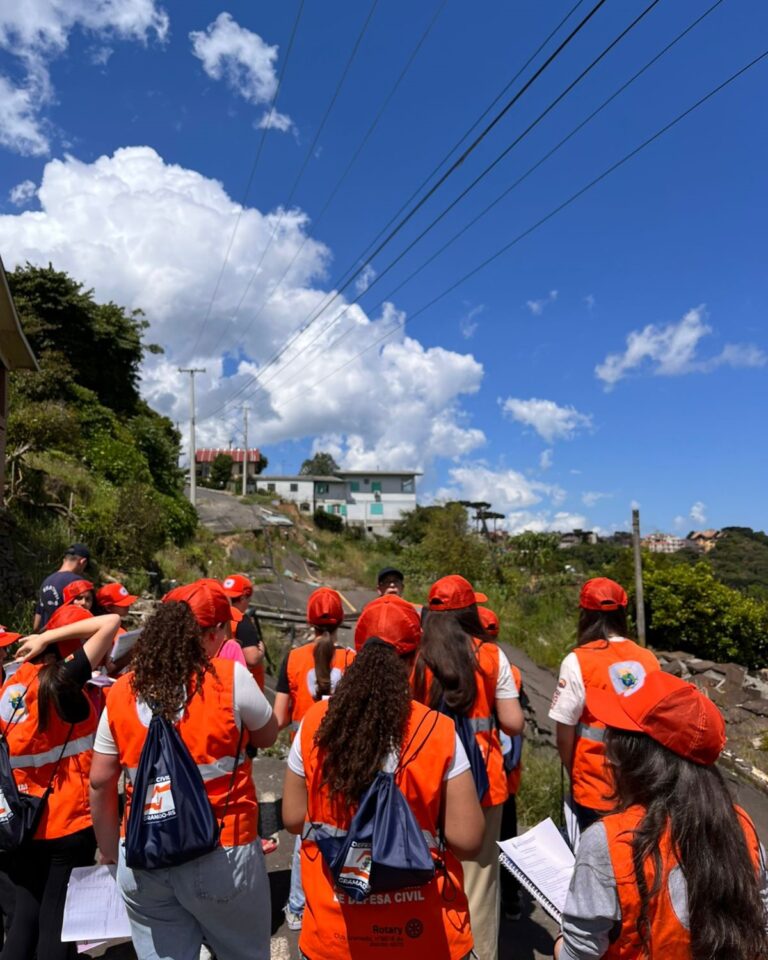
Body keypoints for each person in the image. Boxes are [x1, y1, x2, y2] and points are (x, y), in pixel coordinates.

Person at [281, 594, 485, 959]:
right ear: (414, 657)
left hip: (337, 930)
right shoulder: (438, 730)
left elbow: (294, 819)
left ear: (357, 652)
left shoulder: (316, 723)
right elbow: (468, 839)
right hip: (421, 930)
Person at [89, 578, 278, 960]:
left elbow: (99, 779)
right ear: (214, 633)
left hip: (142, 852)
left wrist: (112, 850)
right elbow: (268, 735)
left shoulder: (123, 691)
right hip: (221, 850)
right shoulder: (229, 678)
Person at [554, 671, 768, 960]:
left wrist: (561, 941)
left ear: (637, 755)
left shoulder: (611, 841)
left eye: (616, 734)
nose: (608, 746)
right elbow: (760, 922)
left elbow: (577, 955)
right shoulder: (741, 827)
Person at [412, 575, 524, 960]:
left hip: (425, 781)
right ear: (471, 613)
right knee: (478, 885)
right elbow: (513, 723)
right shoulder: (491, 656)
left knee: (425, 876)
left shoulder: (417, 654)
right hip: (483, 785)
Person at [0, 609, 120, 960]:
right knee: (57, 921)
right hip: (69, 820)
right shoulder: (65, 680)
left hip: (22, 819)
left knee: (25, 915)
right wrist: (50, 636)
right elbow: (109, 623)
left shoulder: (12, 685)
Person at [548, 577, 661, 832]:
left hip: (595, 787)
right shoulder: (648, 659)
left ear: (584, 614)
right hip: (641, 785)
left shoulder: (577, 661)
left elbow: (564, 737)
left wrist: (576, 773)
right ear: (623, 613)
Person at [273, 586, 355, 931]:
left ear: (309, 620)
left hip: (302, 759)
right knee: (345, 828)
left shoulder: (292, 659)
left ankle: (297, 906)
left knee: (306, 832)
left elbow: (278, 718)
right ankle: (345, 898)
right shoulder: (351, 659)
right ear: (340, 623)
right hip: (345, 758)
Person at [477, 604, 525, 923]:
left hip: (480, 772)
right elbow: (515, 726)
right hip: (506, 774)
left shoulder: (468, 664)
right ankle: (511, 898)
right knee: (508, 840)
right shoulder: (511, 669)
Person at [221, 574, 267, 689]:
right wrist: (261, 651)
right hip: (242, 689)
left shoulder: (215, 615)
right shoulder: (240, 620)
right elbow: (252, 658)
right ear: (242, 598)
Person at [33, 543, 90, 631]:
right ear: (83, 562)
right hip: (66, 641)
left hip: (45, 640)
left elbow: (36, 625)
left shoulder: (46, 581)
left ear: (65, 559)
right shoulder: (78, 583)